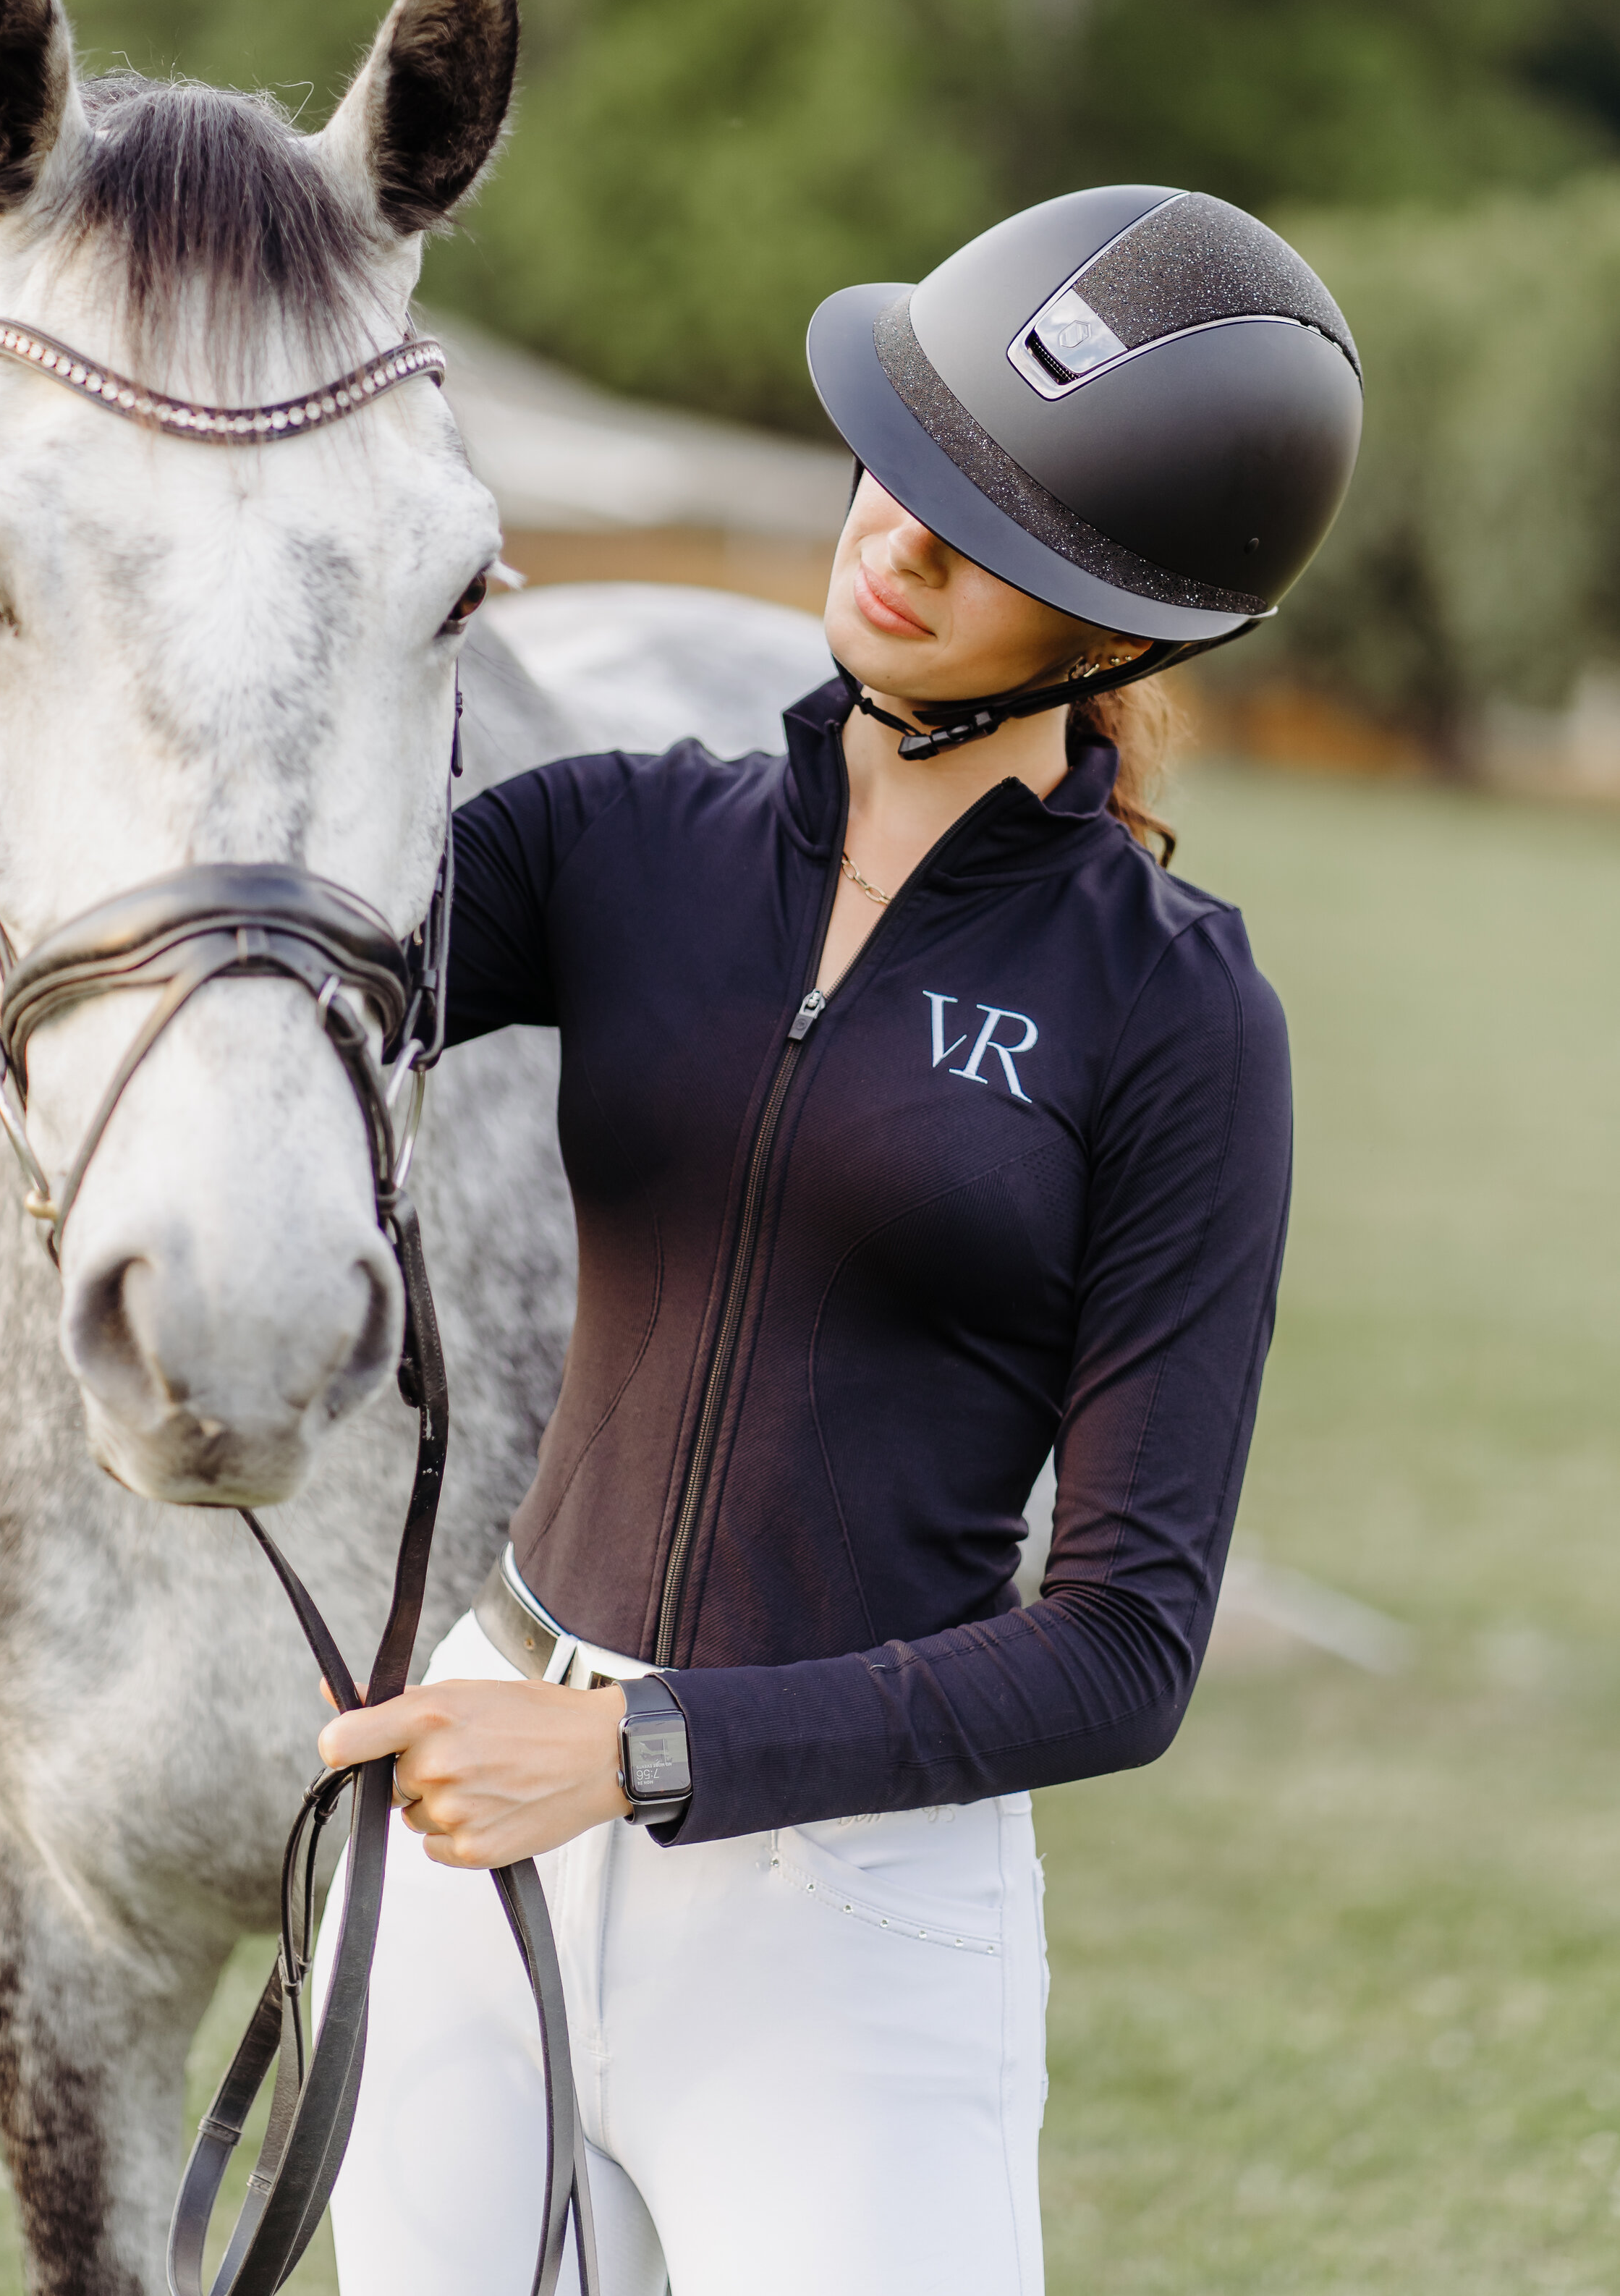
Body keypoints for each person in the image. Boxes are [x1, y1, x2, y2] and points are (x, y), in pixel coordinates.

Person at [313, 184, 1364, 2294]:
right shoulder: (611, 842)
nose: (898, 535)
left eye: (1000, 530)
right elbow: (261, 972)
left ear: (1120, 627)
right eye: (908, 456)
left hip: (843, 1933)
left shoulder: (1172, 1018)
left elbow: (1122, 1648)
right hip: (475, 1847)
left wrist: (630, 1754)